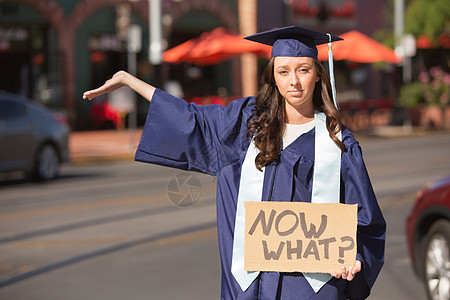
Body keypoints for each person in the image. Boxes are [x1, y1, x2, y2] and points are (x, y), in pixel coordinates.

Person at [83, 26, 386, 300]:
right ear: (273, 77)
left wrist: (355, 258)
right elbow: (191, 120)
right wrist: (128, 80)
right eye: (283, 71)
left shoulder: (338, 143)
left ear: (318, 73)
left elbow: (366, 221)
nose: (294, 81)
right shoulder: (247, 125)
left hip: (311, 289)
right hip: (251, 286)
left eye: (303, 69)